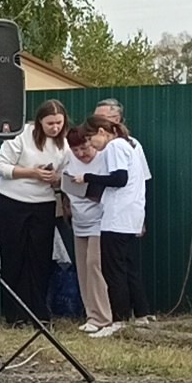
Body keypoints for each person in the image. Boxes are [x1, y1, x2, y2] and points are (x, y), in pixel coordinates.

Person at [0, 101, 69, 326]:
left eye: (59, 123)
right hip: (13, 202)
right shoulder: (21, 136)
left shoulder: (64, 144)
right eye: (50, 123)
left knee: (40, 258)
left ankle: (39, 313)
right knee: (14, 257)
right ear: (39, 122)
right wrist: (31, 173)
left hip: (43, 204)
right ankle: (14, 314)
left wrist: (57, 179)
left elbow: (67, 173)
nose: (54, 128)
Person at [81, 115, 152, 333]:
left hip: (117, 217)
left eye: (92, 140)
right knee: (128, 266)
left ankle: (118, 320)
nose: (92, 145)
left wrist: (87, 177)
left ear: (102, 132)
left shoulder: (114, 147)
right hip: (131, 215)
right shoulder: (129, 144)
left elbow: (119, 178)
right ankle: (141, 314)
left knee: (113, 271)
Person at [61, 124, 113, 333]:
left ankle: (104, 316)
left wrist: (86, 187)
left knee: (94, 265)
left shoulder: (104, 159)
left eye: (85, 148)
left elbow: (109, 188)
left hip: (101, 219)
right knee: (83, 269)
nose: (82, 154)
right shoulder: (68, 160)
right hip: (79, 220)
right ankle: (91, 315)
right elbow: (64, 184)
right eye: (76, 151)